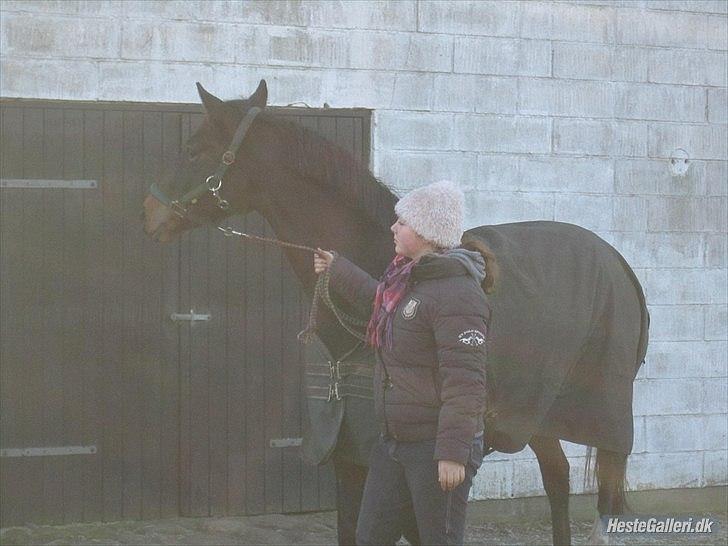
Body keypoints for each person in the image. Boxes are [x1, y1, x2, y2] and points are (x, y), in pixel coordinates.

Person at [313, 180, 492, 546]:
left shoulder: (458, 294)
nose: (393, 228)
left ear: (427, 233)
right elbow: (380, 302)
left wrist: (453, 454)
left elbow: (466, 382)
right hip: (394, 442)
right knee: (369, 538)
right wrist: (339, 269)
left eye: (403, 223)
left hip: (435, 448)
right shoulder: (408, 279)